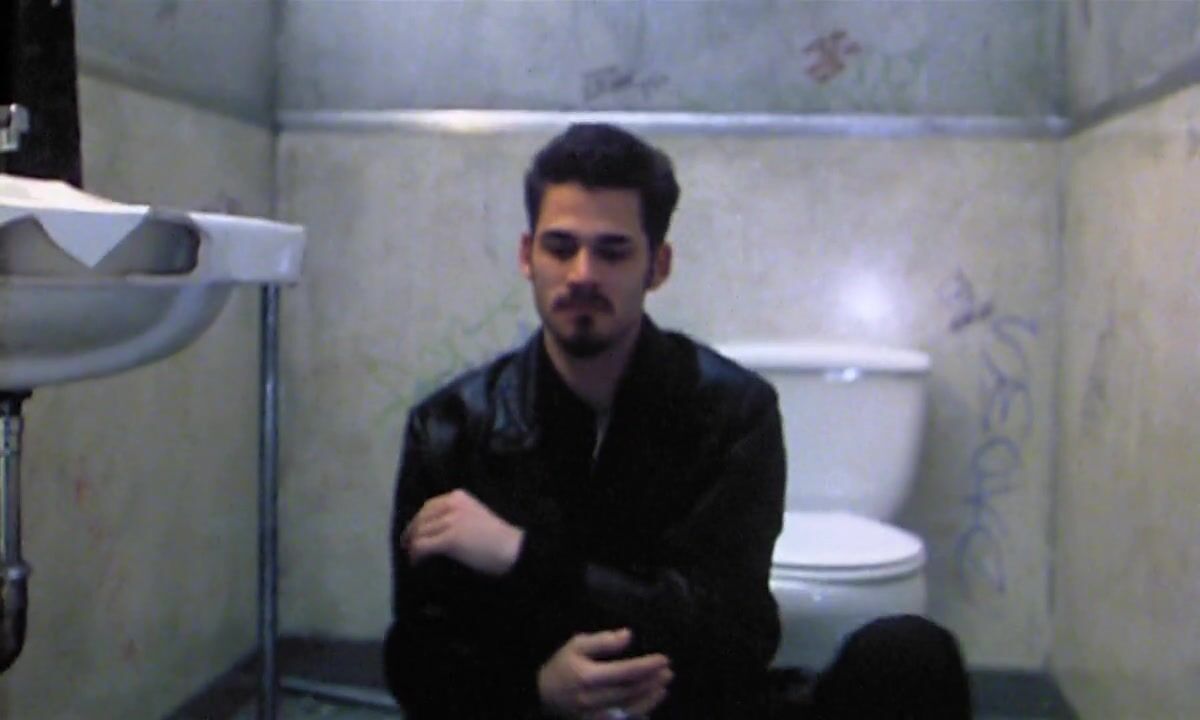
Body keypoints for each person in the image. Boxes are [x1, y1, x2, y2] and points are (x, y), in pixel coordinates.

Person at [383, 122, 786, 719]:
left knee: (900, 655)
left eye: (613, 251)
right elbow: (417, 658)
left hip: (682, 710)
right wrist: (536, 692)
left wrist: (519, 555)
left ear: (658, 265)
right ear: (527, 256)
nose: (582, 274)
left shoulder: (733, 413)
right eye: (560, 247)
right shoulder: (449, 429)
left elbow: (736, 633)